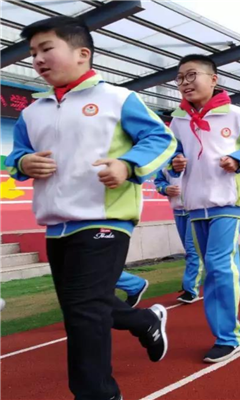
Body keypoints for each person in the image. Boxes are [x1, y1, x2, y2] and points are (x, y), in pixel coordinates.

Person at [5, 16, 172, 400]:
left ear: (83, 54)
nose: (38, 59)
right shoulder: (32, 112)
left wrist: (127, 165)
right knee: (85, 307)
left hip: (105, 218)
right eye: (33, 53)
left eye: (47, 49)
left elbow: (160, 138)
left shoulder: (117, 98)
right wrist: (23, 164)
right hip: (56, 225)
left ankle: (98, 394)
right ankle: (145, 320)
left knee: (83, 313)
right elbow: (17, 157)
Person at [169, 54, 240, 362]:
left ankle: (228, 337)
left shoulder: (236, 115)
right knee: (219, 262)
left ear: (213, 79)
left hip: (228, 199)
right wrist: (175, 164)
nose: (185, 83)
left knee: (215, 264)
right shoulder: (178, 120)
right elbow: (172, 158)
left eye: (192, 76)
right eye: (180, 78)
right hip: (194, 204)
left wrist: (238, 159)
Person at [154, 168, 202, 303]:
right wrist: (165, 188)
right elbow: (158, 182)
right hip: (178, 211)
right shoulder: (167, 164)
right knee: (191, 250)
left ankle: (190, 288)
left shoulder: (196, 153)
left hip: (196, 209)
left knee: (193, 250)